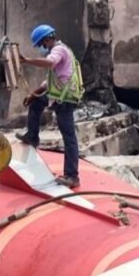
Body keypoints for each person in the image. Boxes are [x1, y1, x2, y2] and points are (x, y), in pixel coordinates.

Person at [17, 24, 84, 188]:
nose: (42, 47)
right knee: (36, 103)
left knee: (69, 137)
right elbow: (50, 81)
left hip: (64, 100)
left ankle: (72, 176)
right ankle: (32, 136)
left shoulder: (58, 50)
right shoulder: (61, 51)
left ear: (47, 39)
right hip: (58, 96)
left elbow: (49, 62)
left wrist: (27, 60)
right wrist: (34, 94)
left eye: (42, 44)